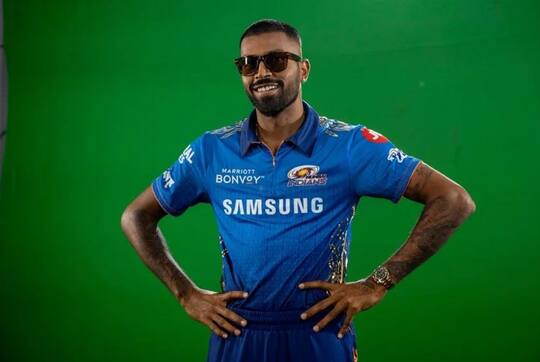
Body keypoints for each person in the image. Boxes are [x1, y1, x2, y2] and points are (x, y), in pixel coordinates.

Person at [121, 19, 476, 362]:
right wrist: (186, 294)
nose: (261, 73)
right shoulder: (211, 151)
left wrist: (378, 282)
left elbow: (453, 200)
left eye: (276, 60)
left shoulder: (349, 145)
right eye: (248, 64)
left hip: (319, 330)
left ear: (303, 69)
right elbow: (135, 216)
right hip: (238, 332)